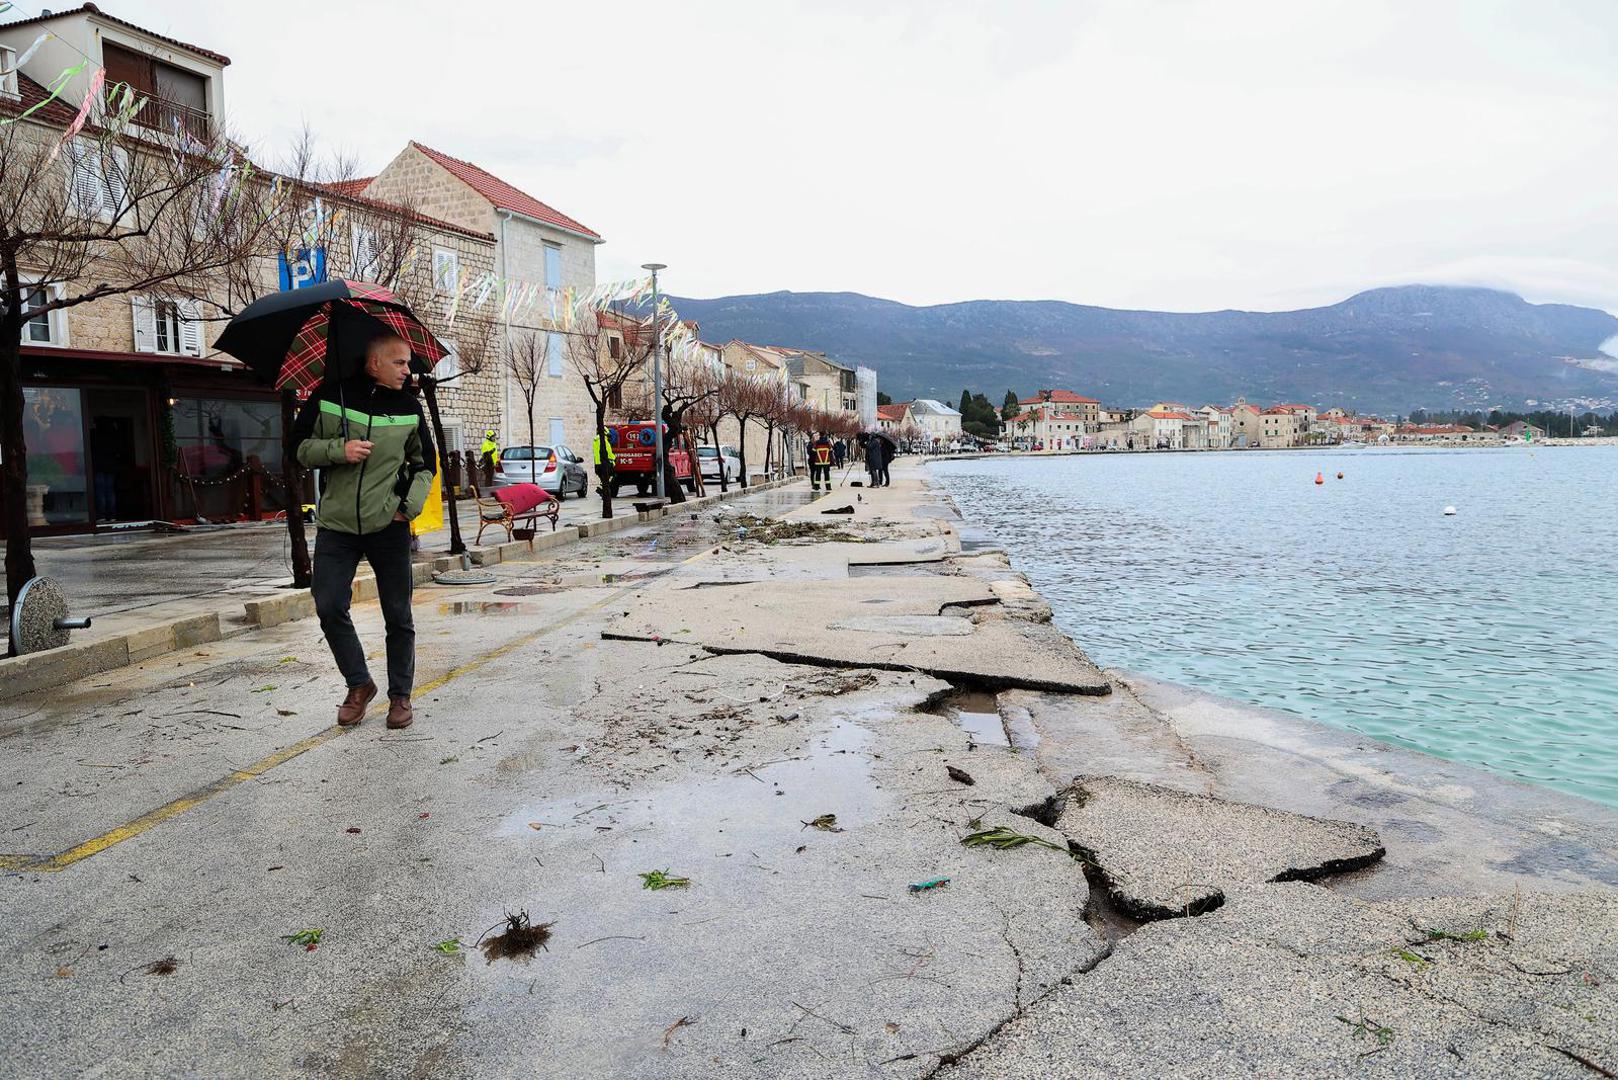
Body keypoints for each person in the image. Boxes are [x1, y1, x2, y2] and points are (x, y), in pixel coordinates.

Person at [293, 333, 435, 730]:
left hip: (387, 524)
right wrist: (339, 450)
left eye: (408, 363)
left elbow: (425, 464)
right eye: (400, 363)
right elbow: (297, 447)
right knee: (328, 605)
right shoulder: (328, 397)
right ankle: (359, 684)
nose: (408, 371)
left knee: (397, 614)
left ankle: (400, 697)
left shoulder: (409, 406)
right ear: (374, 363)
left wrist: (406, 509)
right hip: (337, 525)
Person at [592, 426, 616, 499]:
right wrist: (614, 458)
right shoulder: (604, 441)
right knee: (611, 477)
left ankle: (603, 491)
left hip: (597, 464)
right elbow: (608, 452)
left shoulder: (595, 441)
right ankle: (604, 491)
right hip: (605, 464)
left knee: (603, 479)